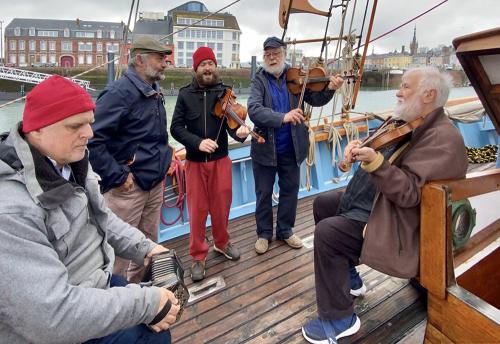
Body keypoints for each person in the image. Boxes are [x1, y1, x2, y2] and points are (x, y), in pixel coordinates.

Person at [0, 75, 179, 344]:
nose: (90, 134)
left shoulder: (71, 162)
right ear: (36, 129)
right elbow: (51, 316)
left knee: (160, 322)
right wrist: (147, 304)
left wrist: (146, 248)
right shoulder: (12, 210)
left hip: (97, 281)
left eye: (89, 124)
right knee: (154, 328)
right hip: (59, 321)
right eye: (75, 126)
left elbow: (101, 218)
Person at [301, 67, 469, 343]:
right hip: (377, 202)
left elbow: (409, 194)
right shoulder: (406, 121)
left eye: (405, 86)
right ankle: (348, 278)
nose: (398, 91)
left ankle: (339, 319)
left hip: (401, 222)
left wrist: (376, 163)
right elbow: (375, 148)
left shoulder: (442, 138)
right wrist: (356, 148)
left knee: (329, 234)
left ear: (429, 94)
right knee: (324, 204)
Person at [247, 36, 344, 254]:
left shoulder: (297, 76)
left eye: (276, 53)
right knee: (263, 193)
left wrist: (330, 88)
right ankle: (263, 234)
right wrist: (283, 117)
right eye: (268, 54)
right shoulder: (259, 80)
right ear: (264, 57)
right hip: (265, 148)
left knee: (290, 190)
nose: (272, 58)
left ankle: (285, 230)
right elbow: (253, 109)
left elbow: (316, 99)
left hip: (292, 146)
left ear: (284, 54)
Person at [88, 37, 173, 283]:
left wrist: (165, 160)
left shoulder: (153, 90)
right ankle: (113, 306)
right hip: (128, 189)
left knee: (148, 247)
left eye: (164, 59)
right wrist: (119, 175)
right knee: (118, 254)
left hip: (154, 183)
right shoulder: (118, 93)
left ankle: (140, 296)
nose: (164, 64)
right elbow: (92, 141)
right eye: (159, 58)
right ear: (139, 60)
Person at [170, 47, 249, 282]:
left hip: (220, 162)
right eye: (202, 64)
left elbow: (232, 129)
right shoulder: (185, 95)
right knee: (197, 211)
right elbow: (175, 128)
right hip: (195, 163)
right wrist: (197, 143)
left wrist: (243, 133)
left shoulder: (225, 93)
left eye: (210, 63)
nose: (207, 68)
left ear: (216, 67)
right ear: (196, 69)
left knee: (221, 206)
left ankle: (222, 243)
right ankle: (198, 255)